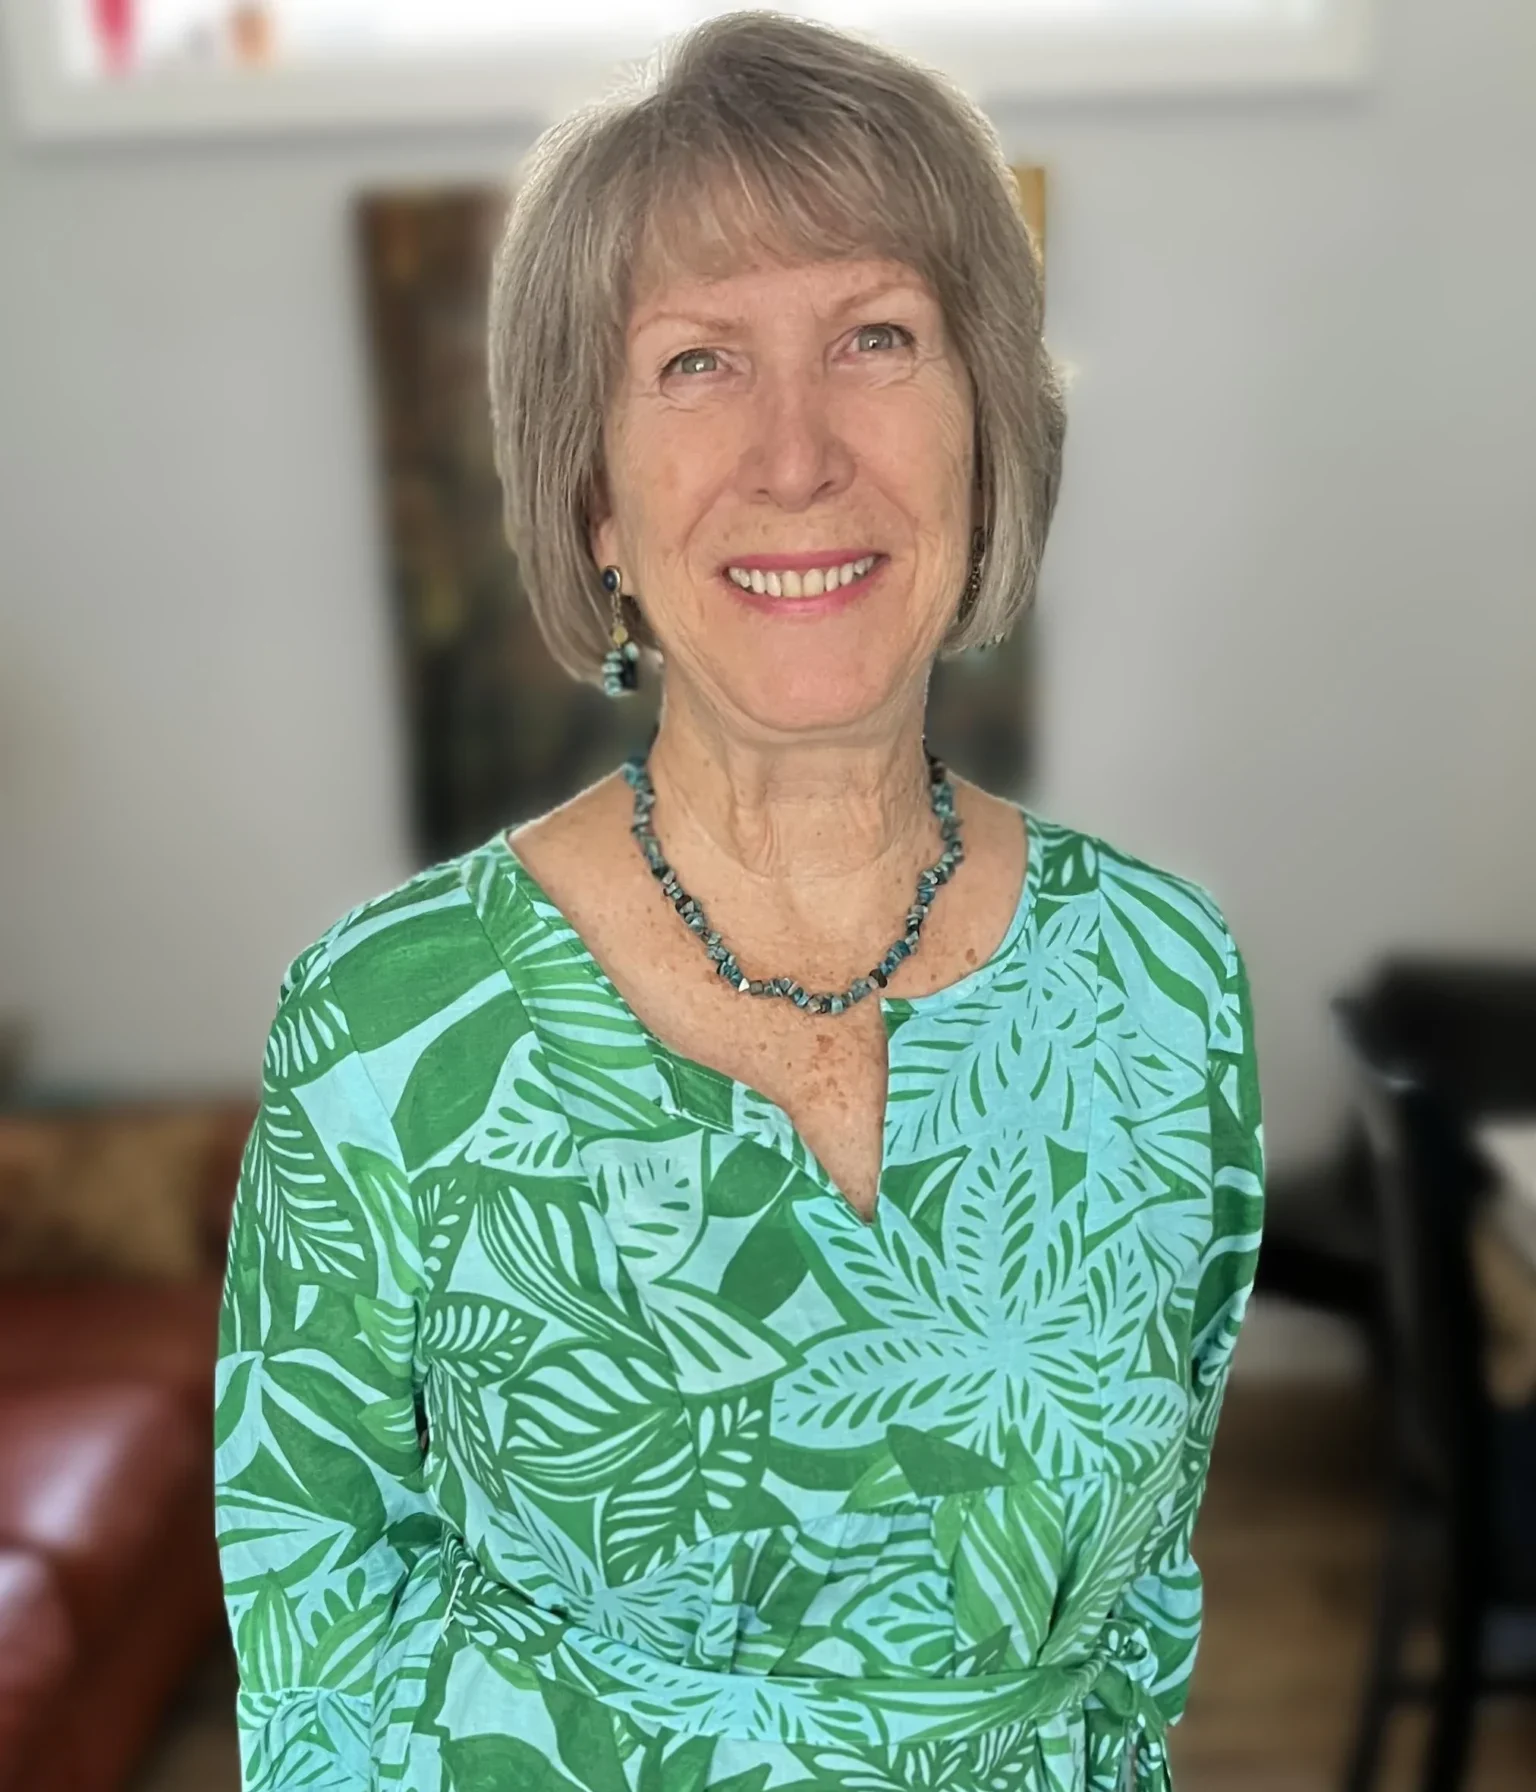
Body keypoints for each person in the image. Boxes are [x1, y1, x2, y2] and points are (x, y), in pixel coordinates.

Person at [213, 12, 1264, 1791]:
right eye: (697, 362)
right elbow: (317, 1647)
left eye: (876, 338)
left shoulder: (1167, 982)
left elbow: (1143, 1616)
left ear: (988, 438)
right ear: (595, 500)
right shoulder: (388, 1024)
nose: (797, 455)